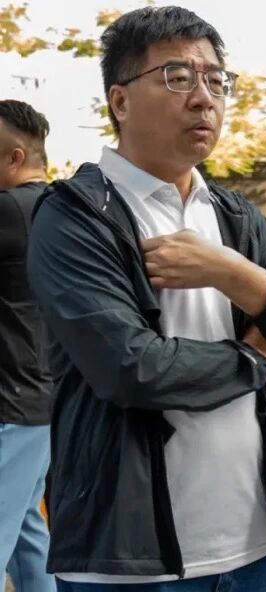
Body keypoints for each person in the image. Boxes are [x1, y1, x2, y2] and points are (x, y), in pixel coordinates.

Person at [26, 6, 266, 590]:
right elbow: (132, 368)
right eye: (177, 77)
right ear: (120, 101)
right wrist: (255, 355)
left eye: (216, 80)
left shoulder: (233, 215)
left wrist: (235, 273)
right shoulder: (75, 216)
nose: (204, 98)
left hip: (248, 538)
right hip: (125, 557)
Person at [0, 99, 56, 592]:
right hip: (39, 400)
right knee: (26, 535)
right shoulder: (59, 211)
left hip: (11, 404)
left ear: (15, 158)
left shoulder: (10, 210)